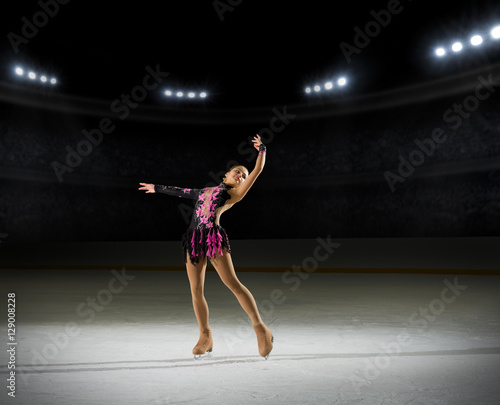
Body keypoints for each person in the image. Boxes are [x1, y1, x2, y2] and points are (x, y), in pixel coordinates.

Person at [138, 134, 274, 359]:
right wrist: (157, 188)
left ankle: (261, 328)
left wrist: (262, 150)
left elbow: (257, 171)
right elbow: (180, 191)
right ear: (226, 175)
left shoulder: (234, 194)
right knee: (196, 290)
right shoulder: (204, 192)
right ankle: (205, 336)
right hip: (193, 239)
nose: (241, 175)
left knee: (232, 283)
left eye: (244, 175)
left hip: (213, 237)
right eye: (238, 171)